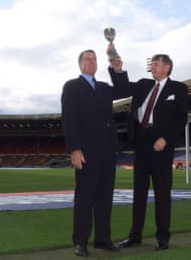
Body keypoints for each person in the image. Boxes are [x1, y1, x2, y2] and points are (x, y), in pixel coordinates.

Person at [109, 50, 188, 250]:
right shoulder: (144, 84)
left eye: (154, 64)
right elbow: (123, 88)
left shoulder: (178, 88)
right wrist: (118, 70)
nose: (151, 67)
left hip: (161, 144)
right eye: (151, 64)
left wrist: (165, 138)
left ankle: (163, 237)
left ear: (166, 67)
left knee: (162, 192)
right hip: (141, 142)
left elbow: (181, 118)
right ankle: (135, 235)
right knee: (139, 193)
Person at [61, 49, 129, 257]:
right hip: (86, 151)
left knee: (105, 198)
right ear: (80, 64)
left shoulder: (103, 87)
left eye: (95, 59)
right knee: (85, 198)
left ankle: (102, 239)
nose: (92, 62)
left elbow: (123, 91)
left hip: (108, 150)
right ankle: (80, 241)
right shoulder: (72, 86)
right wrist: (74, 148)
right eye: (88, 59)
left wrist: (117, 70)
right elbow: (69, 119)